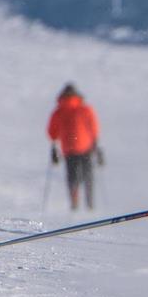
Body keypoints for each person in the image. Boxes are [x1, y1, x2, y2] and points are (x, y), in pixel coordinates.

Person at [47, 83, 103, 211]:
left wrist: (54, 144)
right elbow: (94, 127)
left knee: (72, 177)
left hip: (69, 149)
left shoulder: (58, 111)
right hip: (86, 147)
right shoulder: (85, 109)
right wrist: (95, 142)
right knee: (88, 175)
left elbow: (51, 132)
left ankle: (74, 202)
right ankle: (90, 203)